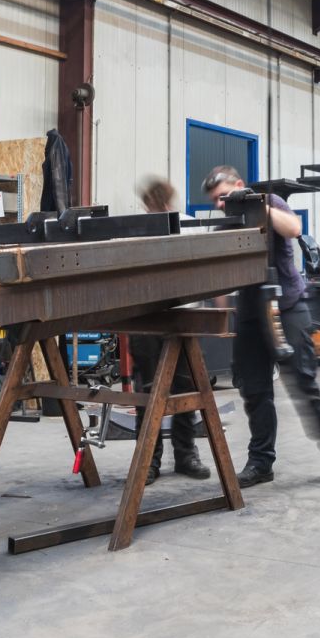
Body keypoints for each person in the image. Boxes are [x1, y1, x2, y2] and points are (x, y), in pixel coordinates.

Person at [203, 165, 320, 487]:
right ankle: (261, 463)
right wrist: (222, 311)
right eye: (215, 200)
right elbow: (218, 269)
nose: (220, 204)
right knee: (254, 391)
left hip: (286, 306)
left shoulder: (270, 202)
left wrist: (263, 208)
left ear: (239, 185)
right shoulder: (226, 223)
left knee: (304, 383)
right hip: (249, 312)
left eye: (224, 196)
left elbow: (294, 228)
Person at [130, 176, 208, 483]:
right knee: (148, 392)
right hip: (146, 320)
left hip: (183, 318)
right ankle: (148, 459)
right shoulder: (136, 229)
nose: (156, 208)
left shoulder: (188, 226)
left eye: (159, 203)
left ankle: (186, 456)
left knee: (186, 389)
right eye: (151, 204)